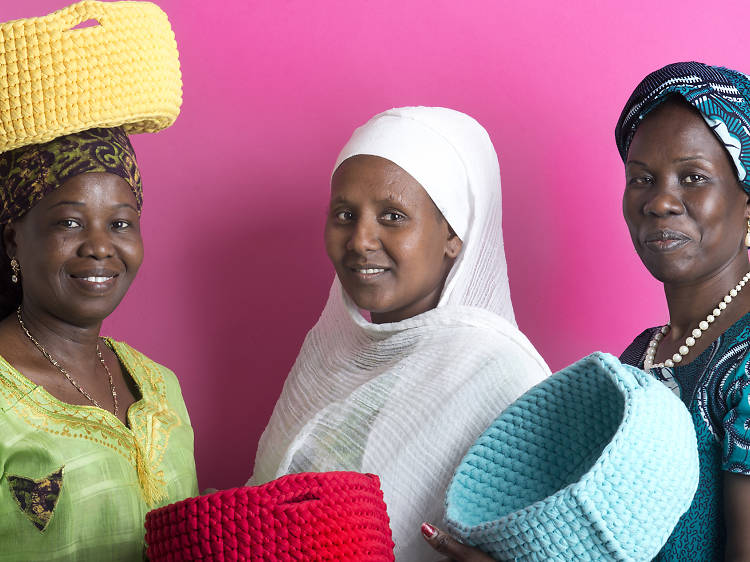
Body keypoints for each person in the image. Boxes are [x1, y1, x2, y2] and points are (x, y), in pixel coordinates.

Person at [423, 61, 750, 562]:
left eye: (693, 177)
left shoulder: (743, 367)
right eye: (642, 179)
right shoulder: (642, 355)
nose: (661, 201)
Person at [248, 106, 550, 561]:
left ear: (454, 235)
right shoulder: (334, 357)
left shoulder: (502, 376)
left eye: (392, 216)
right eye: (345, 214)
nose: (360, 240)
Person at [0, 127, 198, 560]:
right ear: (14, 239)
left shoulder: (161, 387)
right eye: (69, 222)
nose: (100, 247)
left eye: (120, 223)